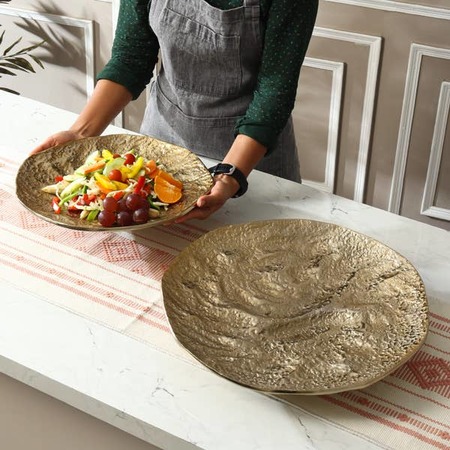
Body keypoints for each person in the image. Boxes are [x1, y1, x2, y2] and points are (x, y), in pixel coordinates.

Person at [31, 0, 318, 223]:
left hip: (250, 164)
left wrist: (230, 175)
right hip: (161, 152)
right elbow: (131, 58)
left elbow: (274, 92)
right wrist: (80, 133)